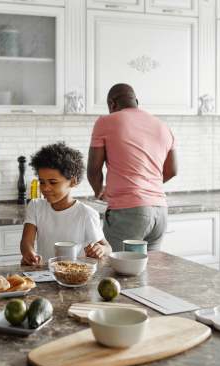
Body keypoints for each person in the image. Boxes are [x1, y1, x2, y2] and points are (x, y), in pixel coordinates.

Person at [87, 83, 177, 253]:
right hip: (160, 212)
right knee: (148, 270)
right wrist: (145, 183)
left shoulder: (105, 122)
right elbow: (172, 171)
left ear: (112, 104)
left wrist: (99, 191)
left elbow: (93, 169)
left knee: (116, 271)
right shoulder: (163, 126)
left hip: (129, 211)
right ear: (136, 101)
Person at [20, 142, 111, 265]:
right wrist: (29, 252)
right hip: (44, 273)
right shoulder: (36, 206)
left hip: (74, 276)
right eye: (42, 182)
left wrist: (100, 249)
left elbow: (107, 247)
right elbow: (27, 241)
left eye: (53, 182)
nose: (45, 188)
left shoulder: (86, 214)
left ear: (73, 182)